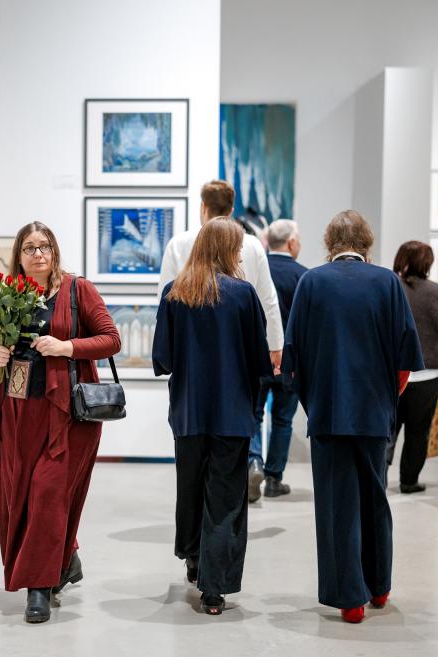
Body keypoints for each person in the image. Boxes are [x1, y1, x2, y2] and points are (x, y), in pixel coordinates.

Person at [282, 210, 424, 624]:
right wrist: (385, 399)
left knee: (337, 505)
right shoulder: (387, 283)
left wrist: (313, 400)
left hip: (328, 411)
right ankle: (380, 587)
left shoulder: (311, 282)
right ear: (366, 242)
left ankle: (351, 600)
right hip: (374, 412)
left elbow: (294, 359)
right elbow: (405, 360)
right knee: (375, 499)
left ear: (329, 242)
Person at [0, 221, 120, 624]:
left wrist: (67, 346)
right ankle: (65, 557)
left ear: (55, 252)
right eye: (29, 248)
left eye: (44, 247)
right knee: (22, 497)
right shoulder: (9, 294)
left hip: (68, 417)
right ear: (19, 256)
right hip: (19, 413)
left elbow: (111, 339)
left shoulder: (78, 291)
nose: (38, 254)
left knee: (46, 495)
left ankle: (37, 589)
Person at [152, 218, 272, 615]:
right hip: (232, 411)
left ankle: (193, 558)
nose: (240, 254)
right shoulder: (243, 295)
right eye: (237, 248)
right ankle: (214, 589)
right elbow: (259, 359)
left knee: (190, 487)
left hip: (188, 411)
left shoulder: (174, 294)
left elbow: (162, 358)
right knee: (224, 497)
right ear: (227, 250)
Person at [159, 179, 283, 503]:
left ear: (202, 206)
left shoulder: (178, 244)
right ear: (231, 209)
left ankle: (195, 530)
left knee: (193, 452)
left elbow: (165, 303)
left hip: (191, 363)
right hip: (237, 355)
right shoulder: (252, 245)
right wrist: (275, 347)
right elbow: (267, 300)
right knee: (242, 420)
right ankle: (250, 462)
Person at [250, 219, 308, 498]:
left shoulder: (257, 271)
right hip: (289, 361)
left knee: (254, 415)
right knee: (283, 420)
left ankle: (252, 462)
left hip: (256, 358)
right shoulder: (304, 277)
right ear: (291, 243)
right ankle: (274, 479)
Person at [388, 241, 438, 493]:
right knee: (418, 432)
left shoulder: (389, 288)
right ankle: (409, 481)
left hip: (392, 372)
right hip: (429, 373)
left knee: (387, 428)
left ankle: (377, 475)